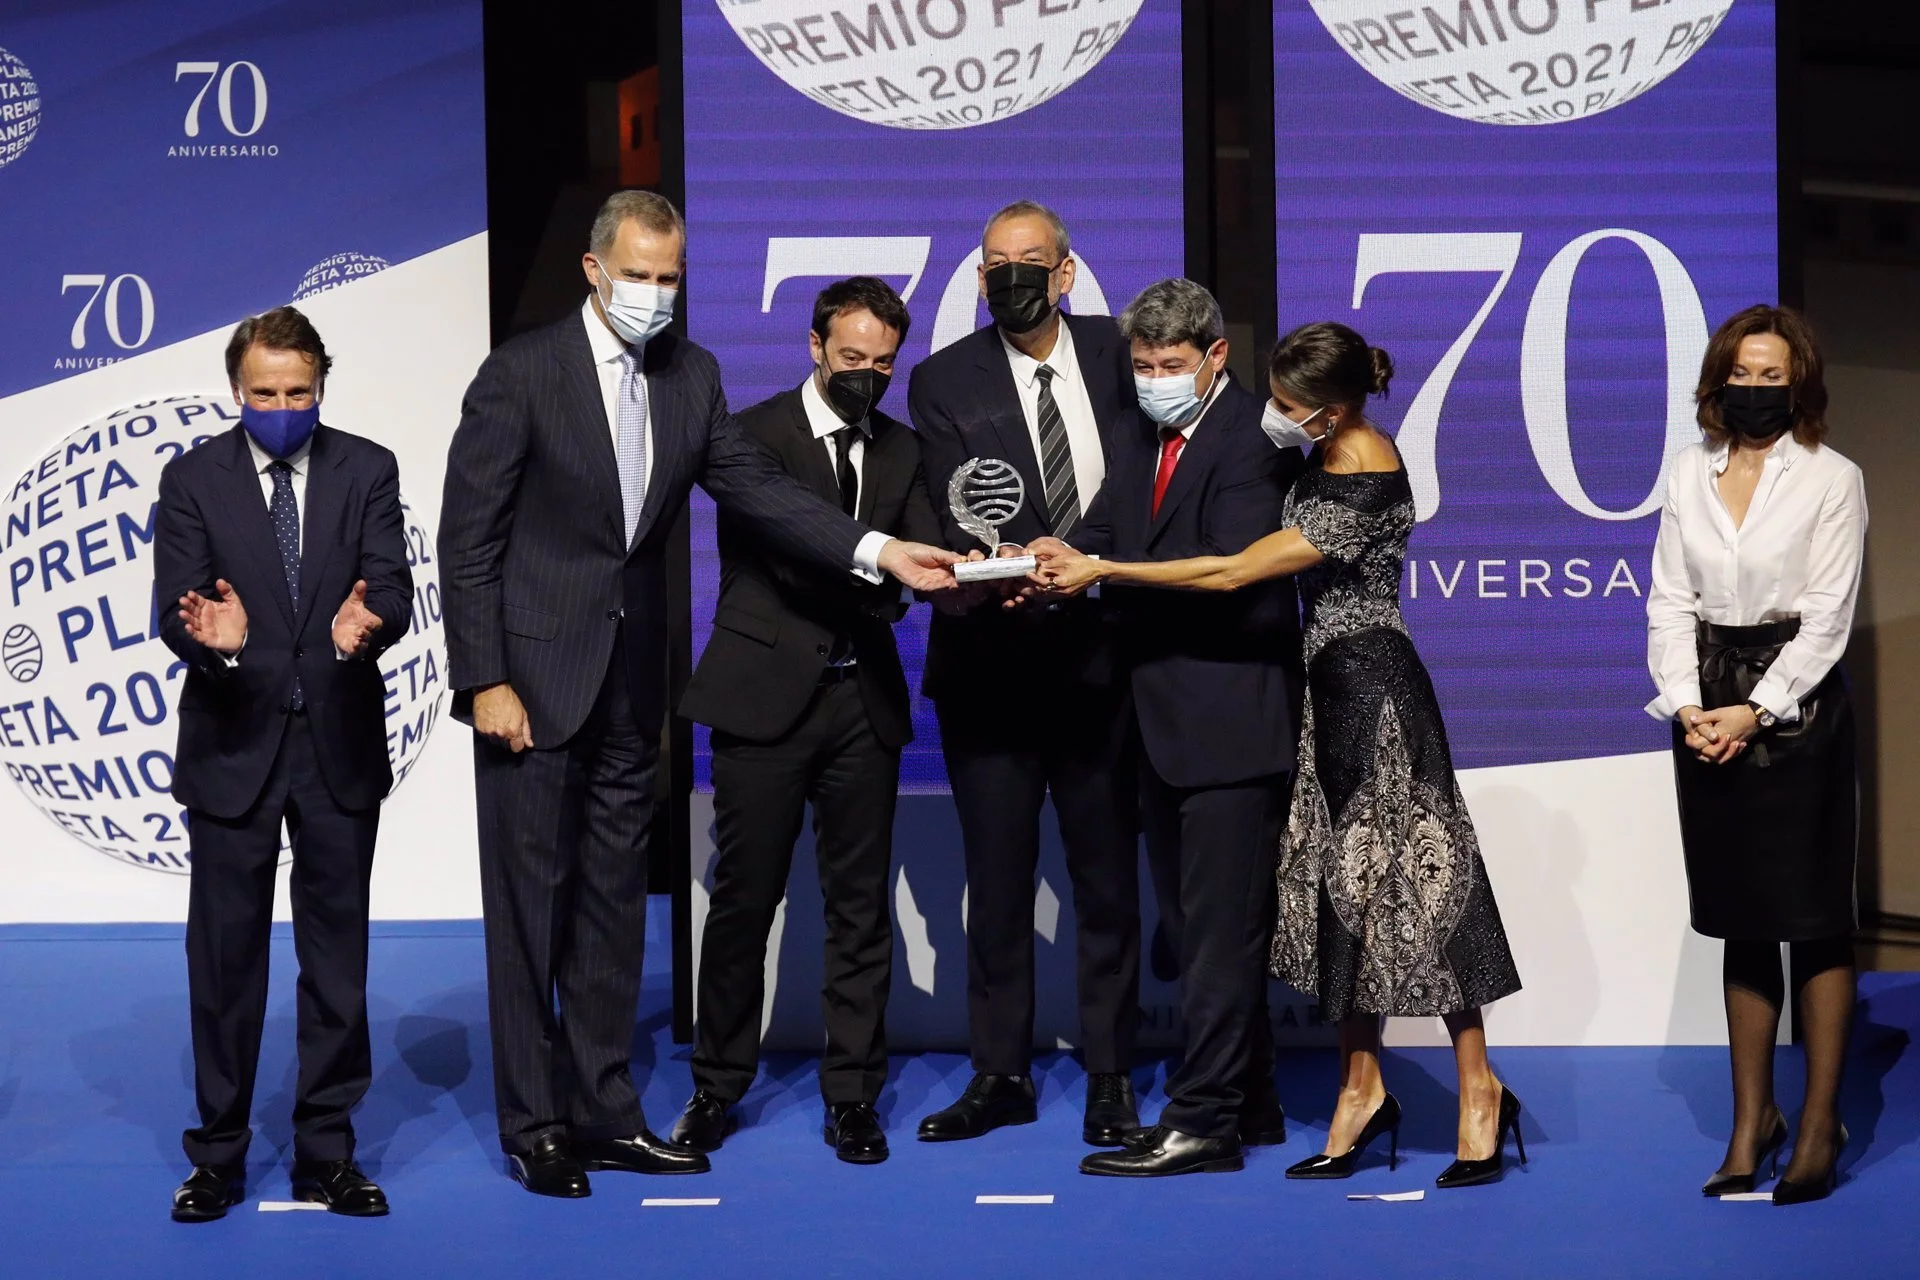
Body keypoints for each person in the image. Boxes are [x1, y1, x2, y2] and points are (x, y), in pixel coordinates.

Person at [439, 191, 960, 1199]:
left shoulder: (693, 375)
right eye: (638, 275)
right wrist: (484, 678)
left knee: (611, 912)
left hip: (632, 687)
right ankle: (536, 1125)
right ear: (594, 270)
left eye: (669, 277)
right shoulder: (521, 373)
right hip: (531, 686)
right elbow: (468, 541)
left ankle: (606, 1113)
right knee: (530, 914)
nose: (654, 293)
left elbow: (759, 489)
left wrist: (879, 547)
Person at [1035, 321, 1525, 1187]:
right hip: (1321, 695)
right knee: (1343, 894)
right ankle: (1360, 1090)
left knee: (1425, 891)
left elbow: (1233, 571)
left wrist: (1103, 568)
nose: (1275, 414)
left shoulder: (1367, 468)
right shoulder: (1321, 452)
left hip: (1377, 695)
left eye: (1290, 405)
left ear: (1331, 409)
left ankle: (1480, 1089)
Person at [1017, 279, 1302, 1177]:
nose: (1152, 380)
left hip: (1230, 720)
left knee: (1219, 938)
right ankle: (1251, 1100)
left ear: (1216, 356)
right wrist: (1058, 554)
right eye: (1141, 365)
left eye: (1170, 364)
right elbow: (1112, 524)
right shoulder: (1142, 432)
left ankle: (1203, 1121)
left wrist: (1102, 569)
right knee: (1192, 925)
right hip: (1156, 722)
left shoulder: (1253, 440)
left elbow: (1225, 571)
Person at [671, 278, 946, 1165]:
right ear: (815, 347)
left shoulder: (904, 448)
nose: (867, 374)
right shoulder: (749, 437)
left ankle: (853, 1095)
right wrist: (887, 570)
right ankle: (716, 1087)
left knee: (860, 908)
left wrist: (982, 568)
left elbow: (928, 549)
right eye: (852, 356)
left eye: (883, 363)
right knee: (744, 901)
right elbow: (787, 555)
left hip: (862, 703)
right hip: (762, 701)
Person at [154, 306, 414, 1222]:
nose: (281, 408)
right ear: (237, 389)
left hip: (337, 744)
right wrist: (214, 639)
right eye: (263, 394)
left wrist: (369, 622)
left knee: (337, 962)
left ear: (321, 386)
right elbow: (174, 605)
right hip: (233, 745)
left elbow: (391, 585)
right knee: (225, 963)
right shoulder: (193, 479)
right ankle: (217, 1156)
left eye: (297, 393)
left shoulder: (367, 468)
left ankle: (326, 1153)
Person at [907, 200, 1142, 1147]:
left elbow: (1149, 478)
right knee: (997, 883)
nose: (1011, 277)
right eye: (995, 263)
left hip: (1104, 660)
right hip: (992, 666)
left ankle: (1112, 1073)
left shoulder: (1126, 353)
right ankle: (999, 1072)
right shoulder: (941, 379)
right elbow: (950, 504)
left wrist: (1080, 556)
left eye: (1030, 261)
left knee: (1107, 880)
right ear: (978, 278)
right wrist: (1004, 563)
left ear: (1066, 272)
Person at [1646, 305, 1866, 1206]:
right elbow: (1669, 601)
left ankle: (1817, 1123)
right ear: (1718, 380)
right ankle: (1751, 1123)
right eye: (1742, 374)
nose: (1754, 389)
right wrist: (1689, 705)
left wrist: (1756, 709)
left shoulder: (1833, 478)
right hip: (1706, 701)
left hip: (1797, 710)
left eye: (1771, 376)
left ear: (1798, 383)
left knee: (1812, 916)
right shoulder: (1685, 471)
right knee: (1741, 916)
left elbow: (1829, 619)